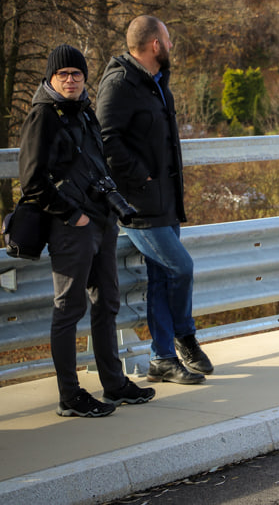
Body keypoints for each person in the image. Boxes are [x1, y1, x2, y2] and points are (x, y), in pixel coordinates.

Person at [18, 44, 155, 417]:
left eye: (76, 74)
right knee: (69, 309)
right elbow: (31, 180)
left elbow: (98, 164)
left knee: (107, 302)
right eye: (63, 74)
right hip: (71, 227)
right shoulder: (42, 117)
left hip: (101, 222)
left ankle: (114, 384)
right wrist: (71, 214)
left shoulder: (84, 112)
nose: (70, 80)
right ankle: (70, 396)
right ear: (50, 78)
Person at [97, 16, 212, 384]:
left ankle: (162, 358)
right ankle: (185, 338)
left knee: (162, 278)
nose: (172, 45)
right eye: (168, 39)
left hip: (165, 201)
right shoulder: (119, 84)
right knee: (182, 267)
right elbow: (106, 139)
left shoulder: (158, 84)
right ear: (155, 45)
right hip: (139, 207)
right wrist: (140, 176)